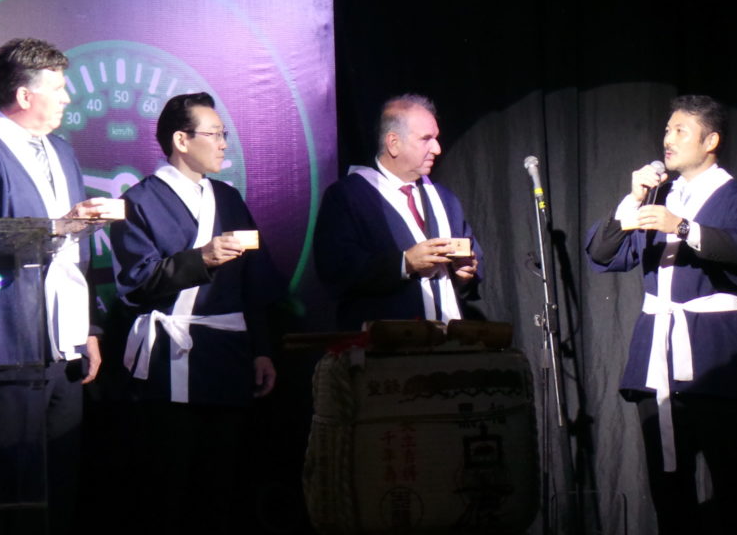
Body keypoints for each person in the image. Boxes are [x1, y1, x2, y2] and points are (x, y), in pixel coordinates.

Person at [0, 38, 118, 533]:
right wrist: (57, 227)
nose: (66, 98)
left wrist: (89, 328)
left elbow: (77, 253)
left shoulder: (62, 152)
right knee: (9, 485)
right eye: (57, 89)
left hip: (64, 342)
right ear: (23, 95)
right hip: (6, 341)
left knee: (60, 481)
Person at [585, 95, 737, 534]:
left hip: (717, 357)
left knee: (734, 486)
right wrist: (631, 202)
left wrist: (681, 227)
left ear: (711, 141)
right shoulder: (658, 198)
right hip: (656, 359)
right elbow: (601, 253)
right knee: (669, 489)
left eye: (680, 131)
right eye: (667, 130)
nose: (667, 139)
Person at [110, 92, 283, 533]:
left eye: (225, 135)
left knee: (222, 486)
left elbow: (253, 283)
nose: (224, 144)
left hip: (228, 355)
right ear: (181, 140)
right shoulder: (139, 201)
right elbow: (137, 282)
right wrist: (201, 258)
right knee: (170, 487)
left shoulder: (229, 198)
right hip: (171, 360)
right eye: (215, 134)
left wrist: (262, 349)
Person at [313, 93, 482, 331]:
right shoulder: (348, 197)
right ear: (393, 143)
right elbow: (335, 270)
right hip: (385, 341)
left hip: (448, 341)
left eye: (436, 138)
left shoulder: (445, 199)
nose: (437, 148)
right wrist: (405, 263)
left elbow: (474, 261)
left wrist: (465, 274)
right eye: (426, 139)